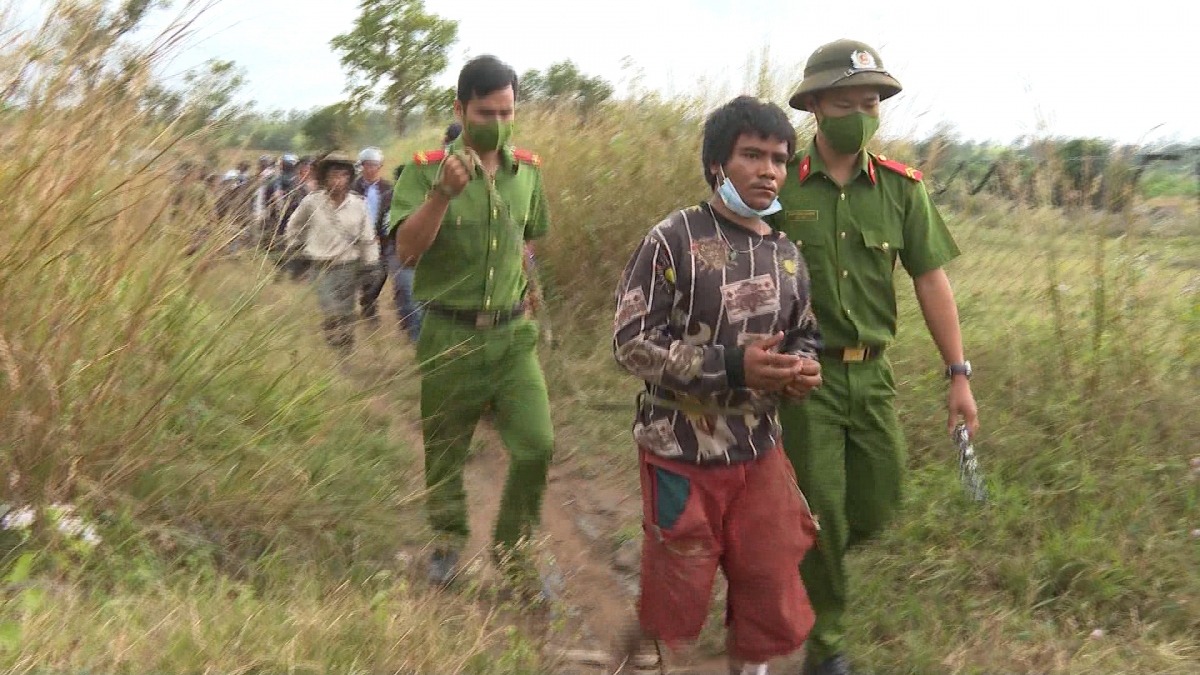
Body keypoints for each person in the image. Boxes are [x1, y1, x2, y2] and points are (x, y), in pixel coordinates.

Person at [770, 39, 980, 675]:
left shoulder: (900, 190)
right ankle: (826, 646)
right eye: (846, 101)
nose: (861, 113)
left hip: (875, 373)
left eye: (872, 102)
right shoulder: (778, 186)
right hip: (805, 377)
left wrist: (958, 375)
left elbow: (930, 280)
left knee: (879, 502)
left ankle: (794, 560)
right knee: (823, 509)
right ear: (814, 106)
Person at [611, 96, 822, 675]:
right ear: (717, 166)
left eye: (779, 158)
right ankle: (638, 650)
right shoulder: (672, 240)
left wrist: (803, 368)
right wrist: (731, 367)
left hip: (759, 448)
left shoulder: (785, 255)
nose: (768, 170)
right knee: (678, 581)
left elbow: (806, 332)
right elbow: (631, 343)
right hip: (681, 450)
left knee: (769, 576)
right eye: (751, 155)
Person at [388, 55, 554, 592]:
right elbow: (407, 254)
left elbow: (530, 236)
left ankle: (511, 549)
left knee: (536, 445)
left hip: (511, 335)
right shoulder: (423, 169)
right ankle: (447, 540)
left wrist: (528, 287)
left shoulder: (526, 171)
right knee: (446, 447)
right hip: (448, 334)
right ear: (460, 109)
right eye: (487, 112)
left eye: (509, 112)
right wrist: (441, 195)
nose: (500, 124)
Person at [284, 151, 383, 356]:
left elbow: (367, 237)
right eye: (333, 176)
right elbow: (294, 225)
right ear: (324, 178)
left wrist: (371, 264)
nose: (338, 180)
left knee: (347, 312)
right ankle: (332, 343)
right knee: (330, 311)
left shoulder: (358, 204)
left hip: (349, 266)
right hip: (320, 267)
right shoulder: (312, 202)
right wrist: (296, 247)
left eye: (343, 175)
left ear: (349, 178)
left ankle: (345, 350)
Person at [353, 147, 424, 339]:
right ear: (361, 166)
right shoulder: (352, 189)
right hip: (359, 242)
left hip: (386, 243)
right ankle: (369, 313)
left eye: (375, 166)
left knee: (402, 286)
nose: (371, 169)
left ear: (380, 167)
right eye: (367, 165)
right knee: (370, 283)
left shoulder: (389, 190)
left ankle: (410, 328)